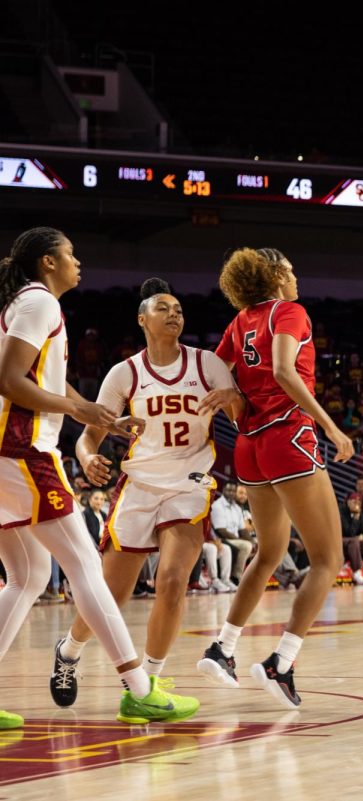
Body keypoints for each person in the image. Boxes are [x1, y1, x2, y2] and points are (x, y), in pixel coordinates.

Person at [0, 228, 196, 728]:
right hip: (23, 450)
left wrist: (96, 416)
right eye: (71, 254)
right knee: (87, 566)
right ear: (48, 262)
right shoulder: (39, 303)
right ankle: (139, 690)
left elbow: (41, 376)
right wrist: (74, 407)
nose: (78, 262)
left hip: (7, 453)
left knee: (29, 577)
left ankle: (132, 683)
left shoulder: (28, 304)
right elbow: (9, 379)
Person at [51, 278, 244, 713]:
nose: (175, 313)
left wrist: (234, 395)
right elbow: (90, 435)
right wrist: (85, 458)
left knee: (172, 580)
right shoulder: (126, 373)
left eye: (178, 308)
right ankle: (68, 652)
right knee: (110, 594)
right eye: (164, 308)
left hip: (189, 483)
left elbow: (240, 413)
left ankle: (148, 684)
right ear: (143, 319)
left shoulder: (207, 364)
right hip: (138, 485)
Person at [195, 247, 354, 709]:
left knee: (269, 552)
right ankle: (280, 662)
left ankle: (222, 647)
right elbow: (284, 370)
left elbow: (211, 369)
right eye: (292, 267)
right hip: (287, 438)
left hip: (249, 446)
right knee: (328, 560)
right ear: (278, 273)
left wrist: (232, 395)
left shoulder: (240, 320)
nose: (298, 275)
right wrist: (329, 425)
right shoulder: (290, 312)